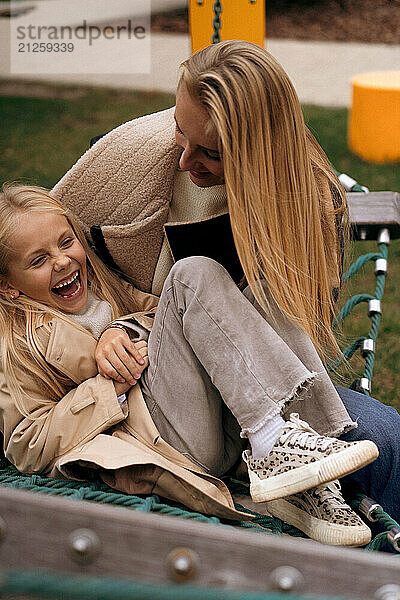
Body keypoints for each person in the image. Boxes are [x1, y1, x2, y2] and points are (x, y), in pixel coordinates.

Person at [51, 41, 399, 537]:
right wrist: (107, 334)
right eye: (179, 128)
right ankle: (280, 450)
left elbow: (292, 328)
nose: (184, 157)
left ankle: (299, 468)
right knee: (195, 273)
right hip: (145, 401)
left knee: (388, 439)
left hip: (248, 397)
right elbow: (30, 266)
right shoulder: (135, 160)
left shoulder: (305, 203)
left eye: (211, 152)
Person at [0, 183, 378, 548]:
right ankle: (272, 446)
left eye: (66, 242)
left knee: (262, 294)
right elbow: (25, 444)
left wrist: (120, 329)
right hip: (162, 442)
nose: (62, 260)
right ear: (7, 286)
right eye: (38, 260)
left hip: (220, 421)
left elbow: (158, 314)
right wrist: (106, 389)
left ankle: (311, 479)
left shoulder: (102, 288)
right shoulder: (16, 344)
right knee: (188, 275)